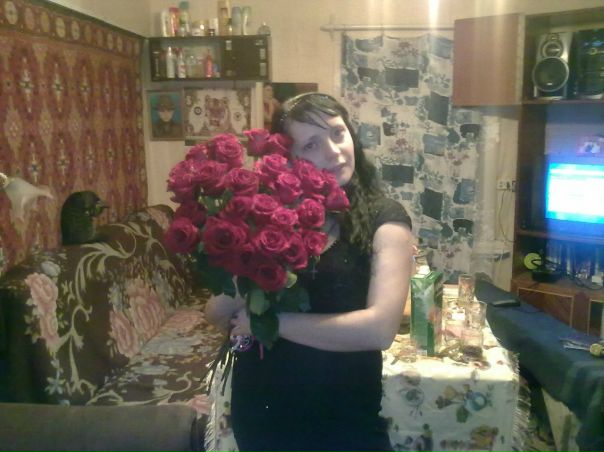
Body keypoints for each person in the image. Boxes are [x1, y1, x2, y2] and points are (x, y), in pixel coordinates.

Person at [204, 92, 414, 452]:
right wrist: (252, 251)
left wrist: (269, 323)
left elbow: (379, 330)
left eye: (337, 133)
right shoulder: (273, 218)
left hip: (343, 417)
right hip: (262, 410)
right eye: (312, 144)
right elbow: (215, 312)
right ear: (288, 159)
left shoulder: (386, 218)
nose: (334, 151)